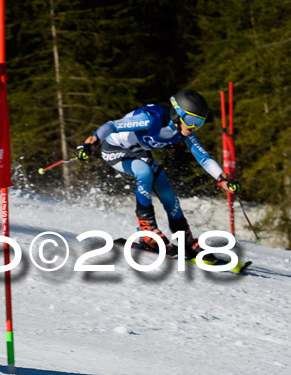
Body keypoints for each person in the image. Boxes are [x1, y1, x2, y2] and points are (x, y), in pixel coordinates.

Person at [76, 89, 241, 257]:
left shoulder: (183, 131)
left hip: (139, 153)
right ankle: (147, 230)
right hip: (115, 150)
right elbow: (111, 126)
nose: (193, 127)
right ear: (177, 115)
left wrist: (223, 179)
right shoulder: (150, 119)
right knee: (144, 171)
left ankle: (185, 240)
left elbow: (204, 158)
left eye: (199, 123)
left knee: (167, 193)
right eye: (191, 120)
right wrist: (92, 142)